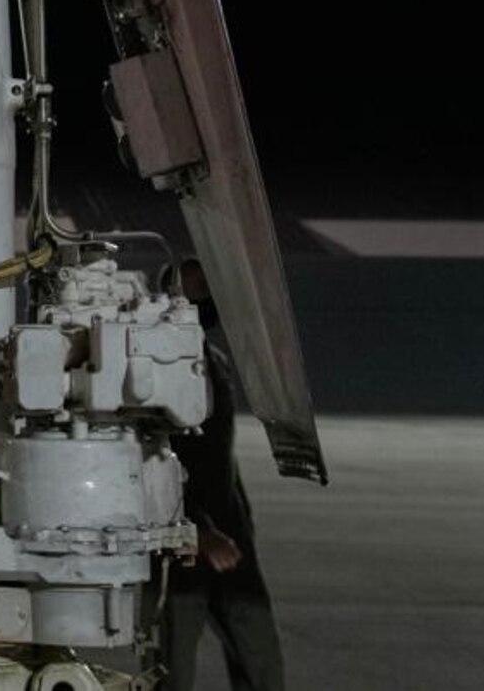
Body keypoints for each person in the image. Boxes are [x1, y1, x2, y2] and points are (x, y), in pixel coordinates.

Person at [161, 258, 287, 691]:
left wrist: (239, 524)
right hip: (180, 547)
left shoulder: (213, 361)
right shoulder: (155, 367)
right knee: (171, 673)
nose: (206, 286)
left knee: (262, 666)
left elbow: (219, 458)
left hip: (231, 539)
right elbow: (154, 463)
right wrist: (198, 530)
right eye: (195, 280)